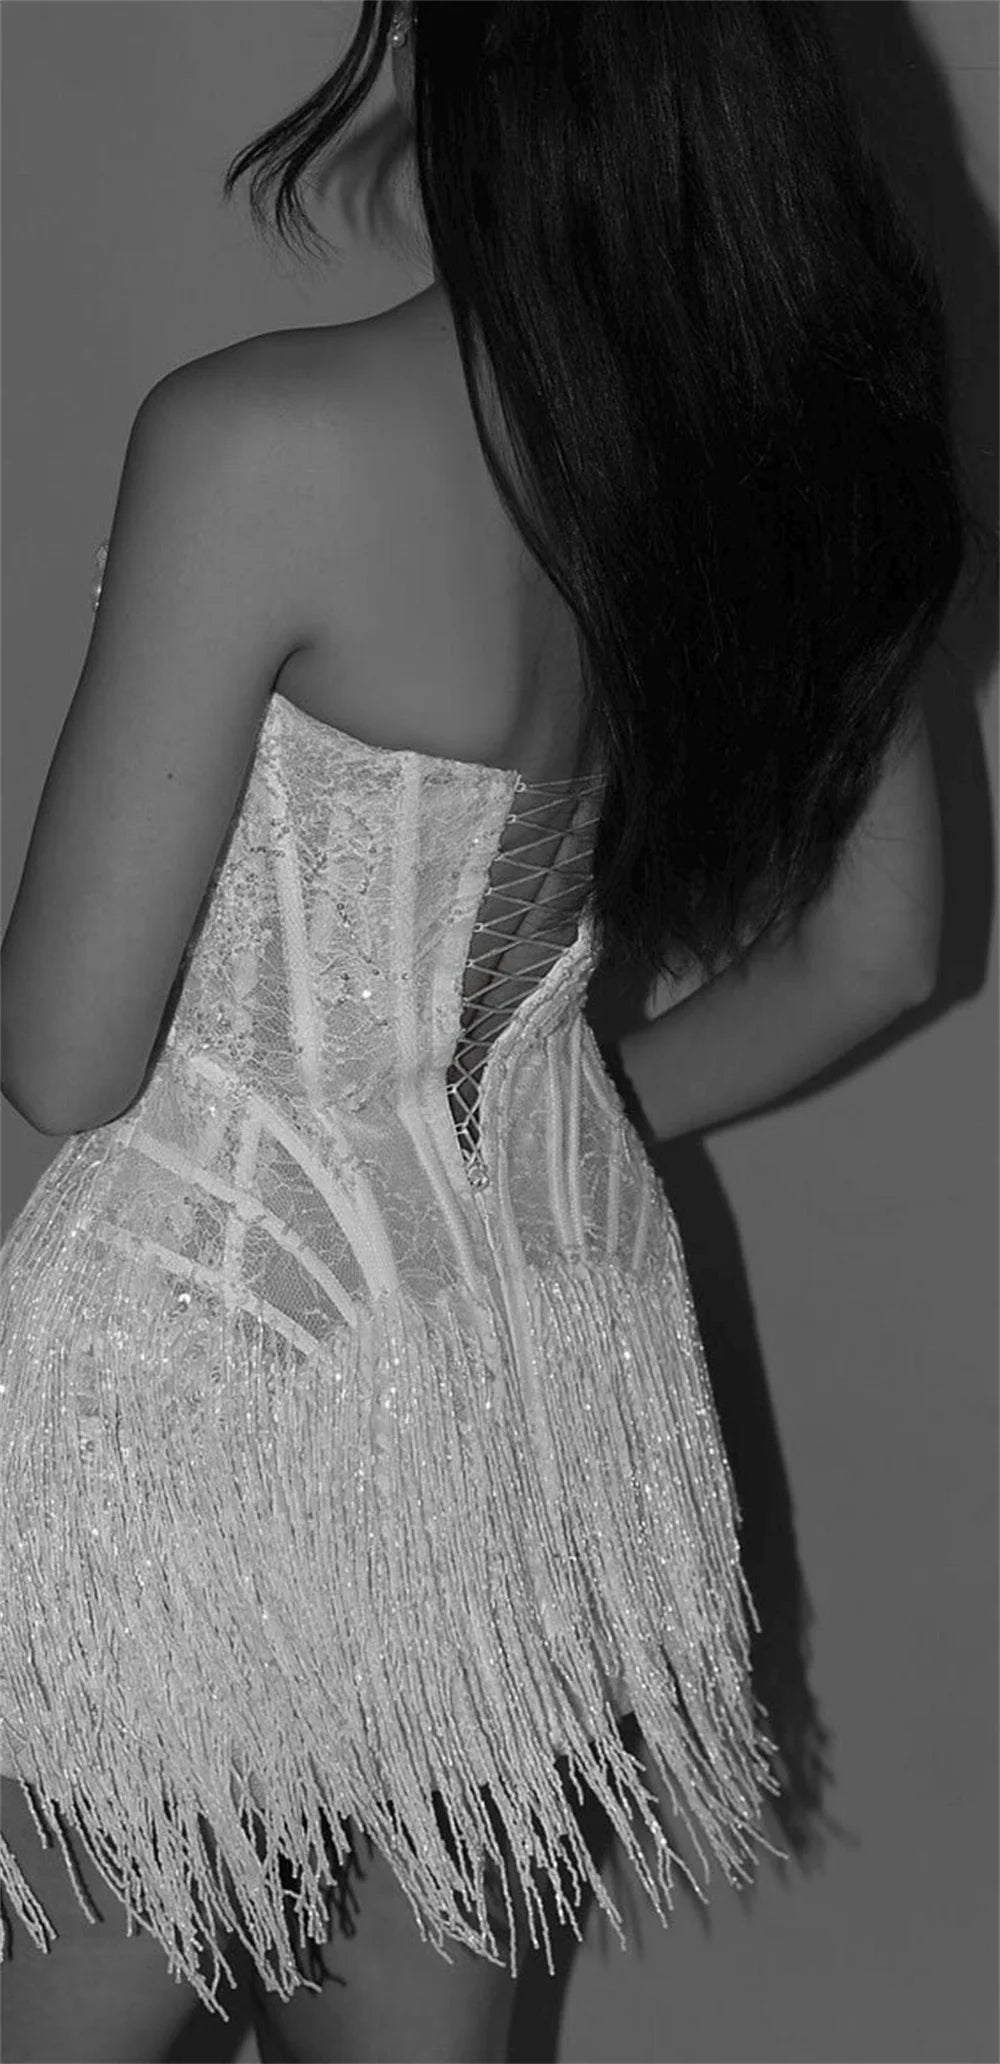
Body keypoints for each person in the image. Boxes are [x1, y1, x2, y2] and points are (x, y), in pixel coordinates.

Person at [0, 4, 993, 2061]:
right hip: (532, 1360)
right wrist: (507, 1114)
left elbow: (69, 1056)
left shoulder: (263, 440)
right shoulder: (779, 456)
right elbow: (878, 954)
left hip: (217, 1371)